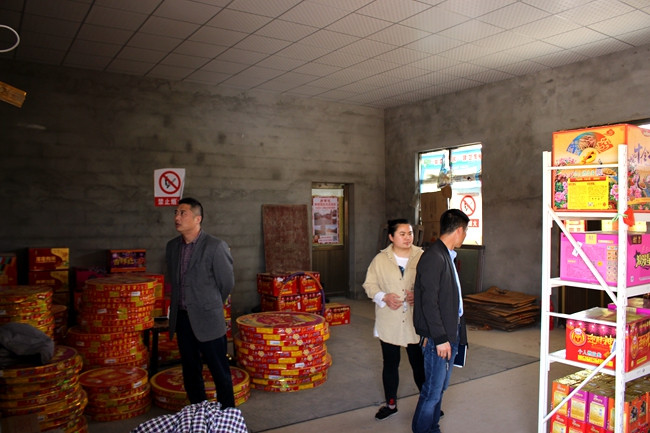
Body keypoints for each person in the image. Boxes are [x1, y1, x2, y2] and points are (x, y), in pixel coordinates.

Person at [166, 197, 235, 408]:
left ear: (198, 218)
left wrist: (209, 303)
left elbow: (227, 283)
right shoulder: (172, 247)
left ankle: (227, 415)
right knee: (190, 371)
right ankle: (198, 413)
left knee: (219, 371)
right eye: (176, 213)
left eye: (183, 213)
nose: (177, 217)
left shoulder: (215, 246)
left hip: (208, 319)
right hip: (183, 319)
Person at [412, 209, 469, 433]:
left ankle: (433, 428)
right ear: (459, 230)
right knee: (432, 391)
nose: (465, 236)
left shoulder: (447, 256)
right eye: (465, 231)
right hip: (440, 337)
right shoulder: (433, 257)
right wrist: (439, 338)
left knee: (439, 389)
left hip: (449, 332)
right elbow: (429, 303)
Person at [363, 219, 426, 421]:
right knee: (390, 364)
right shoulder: (380, 260)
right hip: (389, 321)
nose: (408, 237)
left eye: (410, 233)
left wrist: (419, 295)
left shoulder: (422, 256)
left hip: (415, 322)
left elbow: (433, 284)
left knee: (419, 365)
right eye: (402, 234)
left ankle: (428, 404)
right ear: (391, 237)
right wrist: (383, 297)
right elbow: (369, 285)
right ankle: (391, 405)